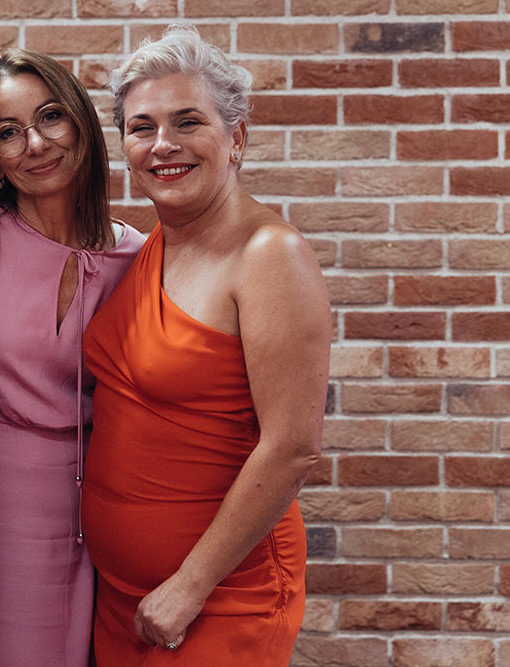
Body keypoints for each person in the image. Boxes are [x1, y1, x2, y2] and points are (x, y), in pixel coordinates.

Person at [81, 25, 331, 666]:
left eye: (188, 121)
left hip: (217, 595)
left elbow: (292, 447)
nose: (163, 144)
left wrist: (189, 586)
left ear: (237, 137)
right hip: (123, 599)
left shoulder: (270, 255)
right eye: (142, 127)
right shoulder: (150, 245)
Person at [0, 49, 145, 667]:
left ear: (80, 122)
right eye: (8, 132)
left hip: (107, 512)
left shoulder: (141, 259)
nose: (35, 144)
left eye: (51, 116)